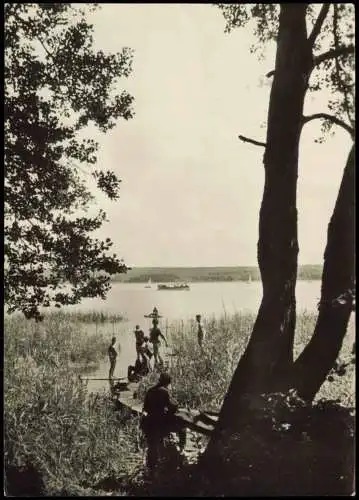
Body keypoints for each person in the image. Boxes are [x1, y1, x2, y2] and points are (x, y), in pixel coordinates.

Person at [140, 372, 186, 474]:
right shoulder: (164, 391)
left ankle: (151, 468)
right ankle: (182, 448)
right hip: (160, 423)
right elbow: (172, 407)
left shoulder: (150, 391)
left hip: (149, 423)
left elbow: (145, 408)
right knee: (182, 425)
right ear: (168, 383)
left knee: (152, 445)